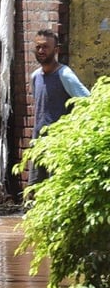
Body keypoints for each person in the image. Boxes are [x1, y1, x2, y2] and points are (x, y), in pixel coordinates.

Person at [29, 29, 90, 186]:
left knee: (56, 187)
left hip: (59, 144)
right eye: (38, 47)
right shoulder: (35, 76)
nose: (41, 51)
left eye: (45, 47)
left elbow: (87, 102)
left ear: (56, 50)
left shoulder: (65, 75)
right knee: (35, 189)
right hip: (38, 143)